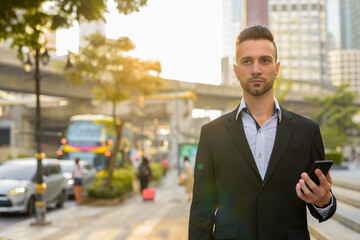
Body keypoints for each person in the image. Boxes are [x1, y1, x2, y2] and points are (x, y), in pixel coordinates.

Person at [188, 25, 336, 240]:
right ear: (236, 70)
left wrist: (324, 200)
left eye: (264, 61)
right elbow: (201, 211)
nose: (256, 69)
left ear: (276, 69)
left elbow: (322, 205)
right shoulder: (212, 133)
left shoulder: (308, 131)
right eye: (247, 61)